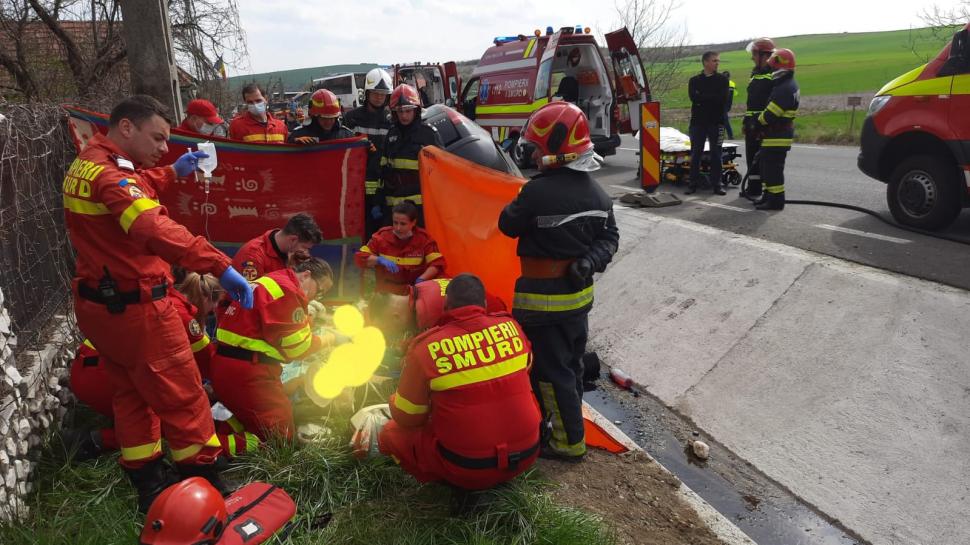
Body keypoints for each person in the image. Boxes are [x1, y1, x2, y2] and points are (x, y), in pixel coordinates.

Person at [62, 94, 254, 512]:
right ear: (127, 128)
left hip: (102, 309)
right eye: (158, 138)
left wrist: (169, 173)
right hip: (138, 308)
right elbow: (150, 225)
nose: (164, 148)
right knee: (183, 398)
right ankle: (206, 486)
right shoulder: (111, 177)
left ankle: (149, 485)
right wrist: (220, 266)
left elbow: (132, 190)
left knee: (131, 396)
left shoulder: (90, 162)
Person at [498, 101, 619, 462]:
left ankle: (567, 444)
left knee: (550, 373)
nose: (533, 156)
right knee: (572, 366)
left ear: (554, 150)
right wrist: (588, 262)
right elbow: (610, 240)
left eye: (537, 149)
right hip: (578, 300)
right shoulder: (599, 194)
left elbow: (507, 225)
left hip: (543, 302)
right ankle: (567, 427)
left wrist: (520, 195)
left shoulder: (537, 192)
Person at [379, 274, 541, 490]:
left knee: (390, 433)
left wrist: (394, 399)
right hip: (528, 454)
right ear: (484, 303)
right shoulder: (512, 327)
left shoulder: (426, 348)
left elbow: (408, 417)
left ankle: (441, 484)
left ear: (446, 305)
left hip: (467, 468)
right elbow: (524, 370)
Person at [64, 273, 222, 461]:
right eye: (212, 311)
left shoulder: (165, 297)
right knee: (166, 424)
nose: (210, 315)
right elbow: (210, 365)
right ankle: (91, 441)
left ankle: (108, 428)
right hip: (100, 376)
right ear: (205, 298)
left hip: (90, 367)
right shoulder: (186, 319)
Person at [210, 258, 334, 450]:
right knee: (279, 439)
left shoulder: (272, 281)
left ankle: (213, 432)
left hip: (228, 366)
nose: (317, 297)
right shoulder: (287, 290)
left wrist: (305, 317)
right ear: (307, 275)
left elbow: (275, 330)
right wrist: (329, 340)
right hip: (250, 373)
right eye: (320, 291)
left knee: (249, 419)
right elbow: (298, 348)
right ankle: (212, 448)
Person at [378, 84, 442, 225]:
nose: (404, 116)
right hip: (394, 209)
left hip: (419, 209)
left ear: (416, 110)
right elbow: (383, 169)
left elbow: (441, 172)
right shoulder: (391, 134)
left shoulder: (428, 134)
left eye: (408, 111)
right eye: (400, 111)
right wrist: (379, 200)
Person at [368, 276, 507, 341]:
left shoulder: (429, 317)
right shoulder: (421, 290)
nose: (389, 334)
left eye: (386, 329)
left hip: (497, 330)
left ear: (395, 317)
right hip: (496, 315)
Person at [355, 200, 445, 295]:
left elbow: (437, 264)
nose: (398, 228)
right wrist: (379, 259)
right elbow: (361, 257)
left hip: (414, 292)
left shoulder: (424, 239)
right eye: (395, 223)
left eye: (403, 224)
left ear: (413, 222)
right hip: (386, 293)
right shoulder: (381, 237)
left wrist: (422, 279)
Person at [344, 68, 394, 239]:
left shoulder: (392, 119)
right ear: (367, 93)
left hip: (383, 184)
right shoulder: (352, 118)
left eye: (383, 93)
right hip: (357, 183)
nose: (379, 97)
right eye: (375, 93)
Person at [754, 48, 799, 211]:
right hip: (774, 135)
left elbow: (771, 114)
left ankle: (776, 201)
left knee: (773, 170)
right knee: (766, 168)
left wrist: (757, 122)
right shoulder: (785, 84)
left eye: (773, 67)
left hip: (778, 136)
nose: (771, 70)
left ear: (780, 67)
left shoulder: (785, 88)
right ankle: (768, 196)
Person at [232, 212, 322, 281]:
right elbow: (252, 297)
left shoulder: (292, 253)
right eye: (304, 247)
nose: (305, 252)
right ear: (293, 239)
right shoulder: (253, 256)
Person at [686, 51, 730, 195]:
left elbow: (721, 99)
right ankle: (692, 184)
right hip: (698, 123)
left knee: (716, 154)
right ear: (705, 62)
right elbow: (694, 98)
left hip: (716, 122)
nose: (717, 63)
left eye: (718, 60)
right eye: (714, 60)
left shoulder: (723, 80)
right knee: (696, 153)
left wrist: (702, 97)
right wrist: (710, 98)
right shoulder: (694, 81)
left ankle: (717, 184)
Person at [741, 38, 776, 200]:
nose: (752, 57)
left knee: (764, 160)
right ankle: (753, 188)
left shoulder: (774, 74)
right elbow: (751, 102)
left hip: (764, 124)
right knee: (751, 157)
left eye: (754, 54)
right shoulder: (754, 74)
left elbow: (773, 102)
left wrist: (763, 123)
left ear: (764, 55)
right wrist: (746, 121)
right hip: (751, 124)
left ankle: (767, 192)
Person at [288, 89, 354, 144]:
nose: (328, 122)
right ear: (314, 117)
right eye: (324, 118)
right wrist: (294, 143)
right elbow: (285, 154)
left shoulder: (346, 135)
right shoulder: (299, 134)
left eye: (332, 118)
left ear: (337, 117)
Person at [722, 72, 736, 140]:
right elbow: (735, 94)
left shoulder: (721, 83)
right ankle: (729, 135)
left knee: (724, 120)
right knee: (724, 120)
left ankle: (730, 136)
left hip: (722, 104)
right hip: (727, 104)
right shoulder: (732, 83)